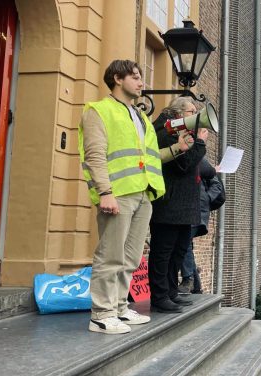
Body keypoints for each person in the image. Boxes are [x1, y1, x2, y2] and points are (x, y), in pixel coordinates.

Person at [79, 60, 165, 334]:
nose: (142, 83)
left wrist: (176, 149)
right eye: (136, 77)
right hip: (116, 194)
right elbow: (94, 155)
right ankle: (101, 314)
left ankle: (118, 307)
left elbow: (147, 157)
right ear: (117, 78)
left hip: (143, 192)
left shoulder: (140, 117)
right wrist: (105, 192)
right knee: (110, 254)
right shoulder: (98, 111)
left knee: (130, 257)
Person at [148, 97, 207, 313]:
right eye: (191, 111)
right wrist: (199, 142)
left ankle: (171, 292)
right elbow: (184, 165)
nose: (195, 115)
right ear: (178, 113)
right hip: (169, 204)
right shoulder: (166, 132)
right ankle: (159, 296)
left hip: (182, 205)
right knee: (163, 252)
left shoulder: (181, 132)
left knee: (178, 251)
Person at [178, 159, 220, 294]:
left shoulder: (200, 161)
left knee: (183, 242)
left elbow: (217, 186)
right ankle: (195, 286)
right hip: (184, 210)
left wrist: (205, 199)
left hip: (197, 211)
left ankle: (188, 279)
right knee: (186, 244)